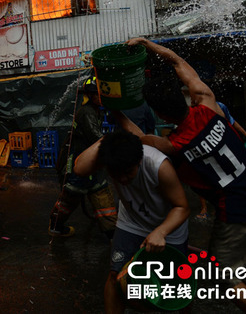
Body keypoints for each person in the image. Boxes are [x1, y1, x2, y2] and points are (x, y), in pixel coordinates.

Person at [123, 37, 246, 313]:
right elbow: (178, 61)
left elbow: (138, 136)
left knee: (227, 279)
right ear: (182, 95)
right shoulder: (208, 103)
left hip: (237, 215)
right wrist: (146, 43)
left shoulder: (174, 145)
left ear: (159, 113)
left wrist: (112, 106)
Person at [73, 130, 189, 314]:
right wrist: (109, 140)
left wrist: (160, 232)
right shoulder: (114, 157)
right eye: (116, 174)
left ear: (139, 161)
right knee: (115, 276)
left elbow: (182, 207)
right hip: (132, 222)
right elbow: (79, 168)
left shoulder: (159, 165)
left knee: (175, 290)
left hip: (168, 227)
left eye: (128, 173)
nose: (122, 179)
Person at [48, 76, 117, 239]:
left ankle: (112, 233)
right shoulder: (86, 112)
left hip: (90, 161)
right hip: (79, 162)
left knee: (100, 193)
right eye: (99, 95)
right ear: (91, 95)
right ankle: (56, 227)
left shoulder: (94, 110)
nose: (101, 98)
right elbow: (97, 138)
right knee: (71, 196)